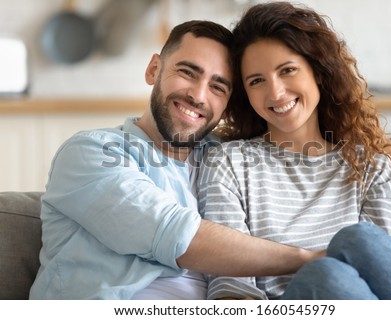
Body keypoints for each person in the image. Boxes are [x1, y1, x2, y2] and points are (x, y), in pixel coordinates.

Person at [29, 20, 319, 300]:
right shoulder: (91, 152)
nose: (198, 95)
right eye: (188, 72)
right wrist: (307, 259)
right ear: (154, 69)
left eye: (218, 87)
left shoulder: (230, 162)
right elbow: (178, 236)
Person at [197, 2, 391, 300]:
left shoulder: (374, 166)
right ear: (245, 93)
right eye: (257, 81)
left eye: (287, 70)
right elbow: (231, 284)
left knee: (360, 241)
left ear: (317, 72)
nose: (276, 92)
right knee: (326, 273)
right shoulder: (228, 162)